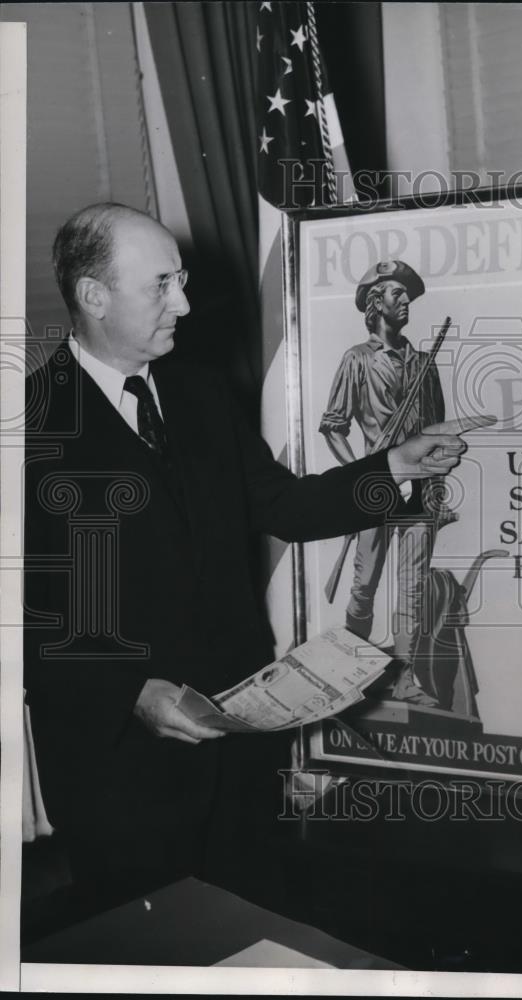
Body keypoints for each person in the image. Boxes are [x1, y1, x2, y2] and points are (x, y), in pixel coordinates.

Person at [23, 204, 474, 917]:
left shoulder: (198, 391)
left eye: (184, 280)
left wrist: (396, 464)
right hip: (119, 771)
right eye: (162, 285)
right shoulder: (29, 424)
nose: (186, 303)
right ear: (94, 295)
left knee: (249, 926)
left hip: (237, 747)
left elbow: (283, 507)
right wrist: (131, 693)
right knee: (150, 949)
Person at [319, 260, 454, 706]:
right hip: (373, 489)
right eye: (397, 294)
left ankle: (405, 678)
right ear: (376, 303)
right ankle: (353, 671)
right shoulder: (357, 360)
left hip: (418, 491)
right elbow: (334, 426)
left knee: (412, 587)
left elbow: (437, 428)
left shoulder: (423, 362)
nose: (406, 302)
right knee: (364, 586)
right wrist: (359, 474)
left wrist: (439, 474)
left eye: (408, 295)